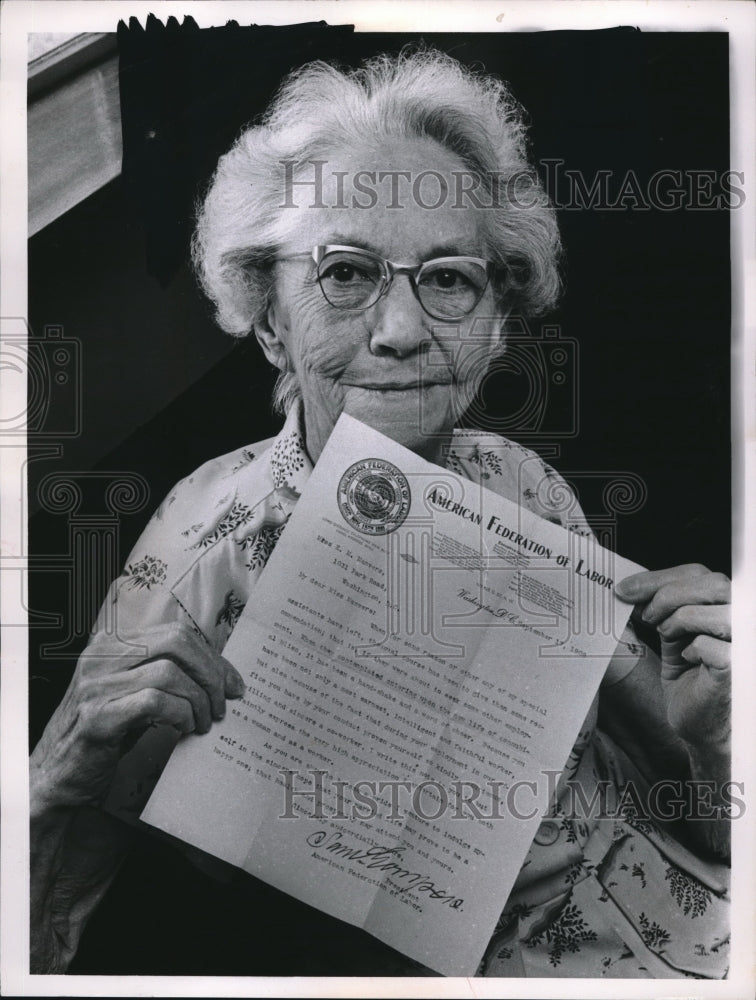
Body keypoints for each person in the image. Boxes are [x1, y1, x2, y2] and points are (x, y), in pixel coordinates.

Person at [30, 48, 731, 977]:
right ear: (269, 317)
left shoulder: (520, 483)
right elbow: (44, 928)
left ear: (493, 326)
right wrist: (45, 790)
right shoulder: (196, 554)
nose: (401, 332)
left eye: (447, 278)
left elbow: (703, 817)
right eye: (347, 272)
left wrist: (713, 737)